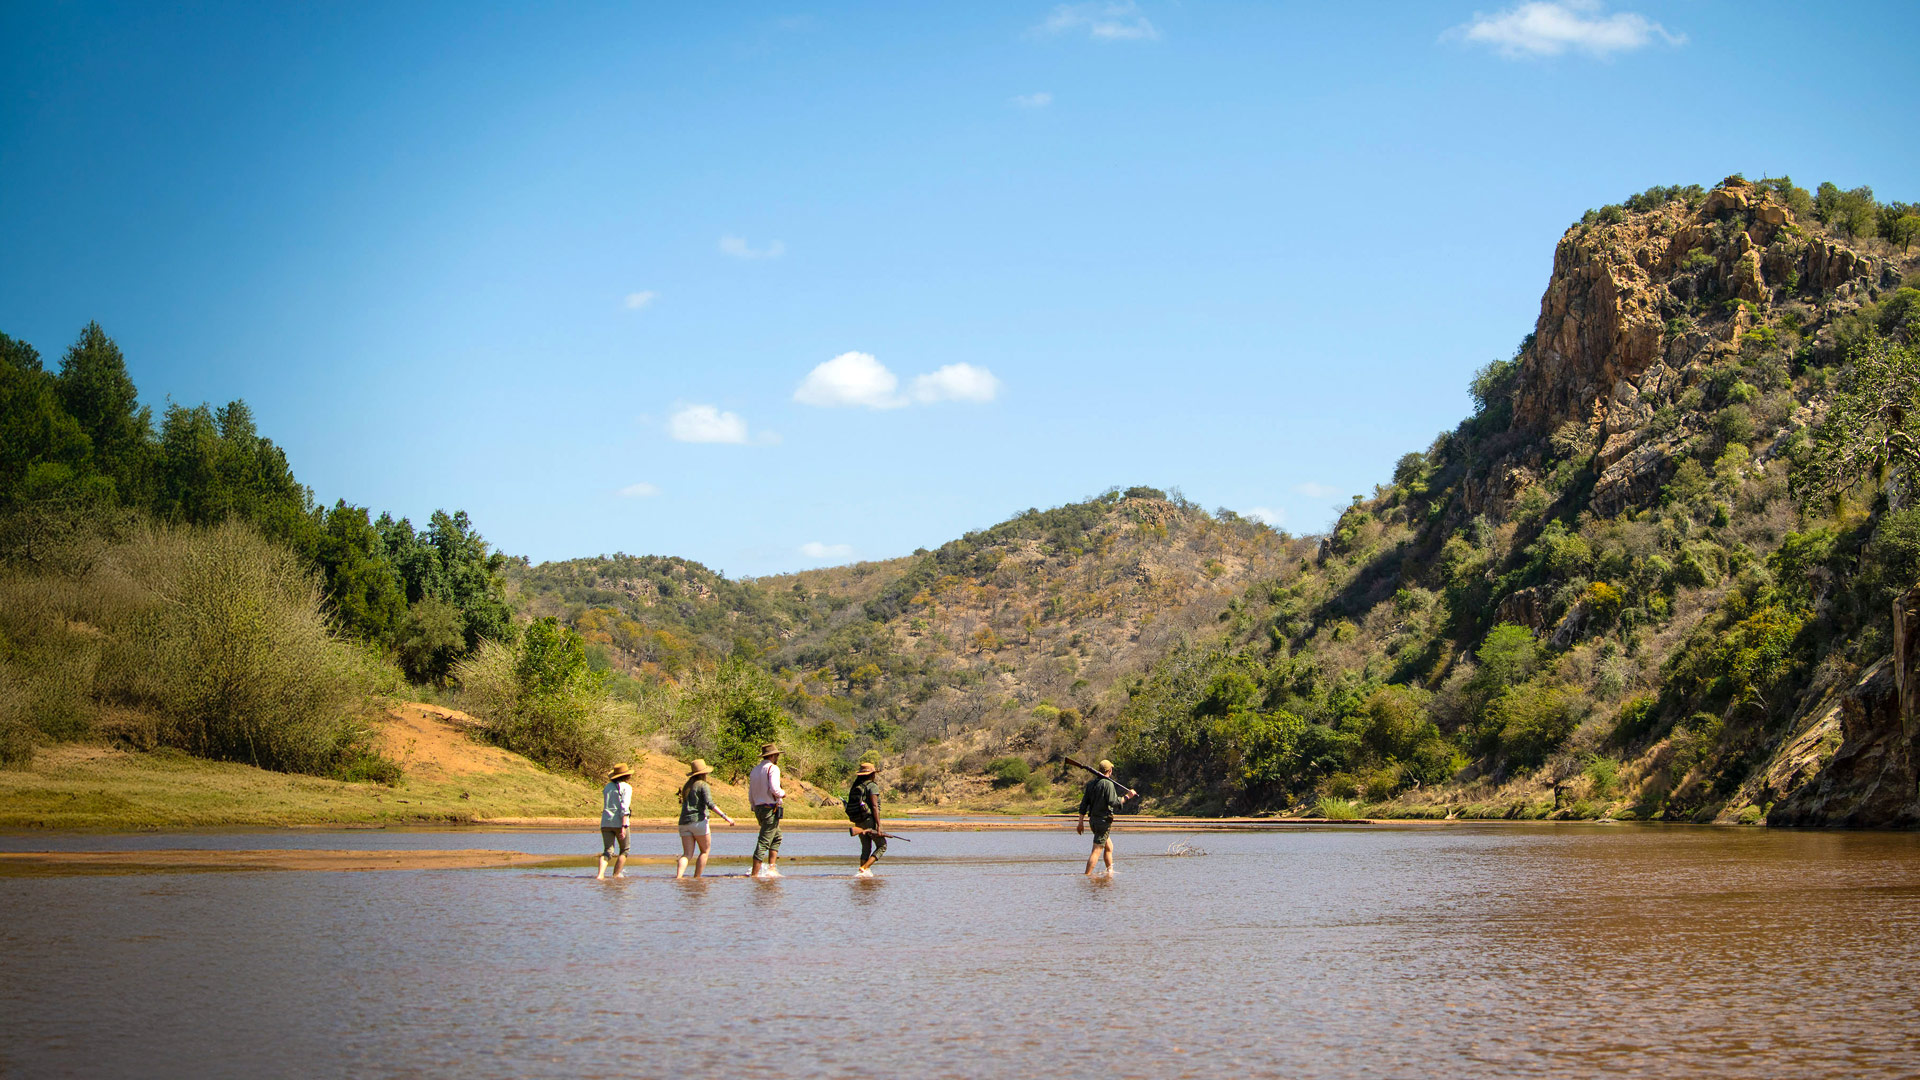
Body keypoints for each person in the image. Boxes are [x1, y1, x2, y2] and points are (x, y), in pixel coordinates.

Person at [675, 758, 733, 879]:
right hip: (699, 822)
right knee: (705, 851)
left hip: (684, 822)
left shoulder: (687, 786)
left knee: (687, 854)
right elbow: (710, 804)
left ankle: (679, 877)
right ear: (704, 773)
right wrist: (725, 817)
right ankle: (697, 878)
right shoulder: (703, 785)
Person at [1076, 759, 1132, 876]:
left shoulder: (1091, 784)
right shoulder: (1108, 784)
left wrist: (1080, 823)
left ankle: (1109, 872)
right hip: (1103, 822)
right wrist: (1127, 797)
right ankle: (1087, 875)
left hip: (1093, 822)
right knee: (1096, 850)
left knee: (1109, 847)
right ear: (1109, 770)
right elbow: (1114, 802)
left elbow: (1083, 805)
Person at [747, 742, 786, 879]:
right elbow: (775, 789)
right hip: (770, 809)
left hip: (758, 808)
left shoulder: (755, 770)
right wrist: (783, 793)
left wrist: (753, 805)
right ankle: (755, 874)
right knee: (763, 841)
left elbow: (751, 793)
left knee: (777, 836)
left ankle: (771, 868)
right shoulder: (773, 769)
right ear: (774, 755)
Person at [845, 762, 885, 877]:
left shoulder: (856, 785)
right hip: (869, 820)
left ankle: (862, 873)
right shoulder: (872, 786)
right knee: (882, 846)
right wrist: (878, 825)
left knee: (866, 847)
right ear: (872, 774)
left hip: (858, 821)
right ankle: (864, 868)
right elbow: (874, 806)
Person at [598, 762, 634, 880]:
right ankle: (616, 875)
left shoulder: (607, 787)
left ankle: (600, 875)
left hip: (606, 821)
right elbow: (625, 807)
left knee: (607, 851)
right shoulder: (626, 787)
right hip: (619, 822)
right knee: (624, 850)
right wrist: (623, 826)